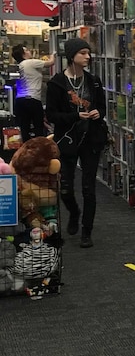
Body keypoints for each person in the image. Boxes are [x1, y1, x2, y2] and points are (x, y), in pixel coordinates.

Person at [45, 38, 108, 248]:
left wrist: (99, 112)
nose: (88, 57)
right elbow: (52, 115)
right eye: (83, 53)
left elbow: (102, 106)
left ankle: (86, 232)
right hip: (68, 140)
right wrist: (75, 117)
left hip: (91, 139)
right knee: (66, 189)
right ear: (72, 56)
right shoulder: (56, 83)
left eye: (88, 53)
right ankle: (73, 212)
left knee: (89, 188)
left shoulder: (94, 81)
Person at [11, 44, 55, 140]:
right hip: (32, 99)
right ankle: (38, 151)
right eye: (26, 50)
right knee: (38, 128)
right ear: (23, 54)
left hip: (20, 100)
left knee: (24, 130)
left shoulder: (20, 65)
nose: (29, 51)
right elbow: (51, 63)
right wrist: (53, 53)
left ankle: (25, 151)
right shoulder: (30, 62)